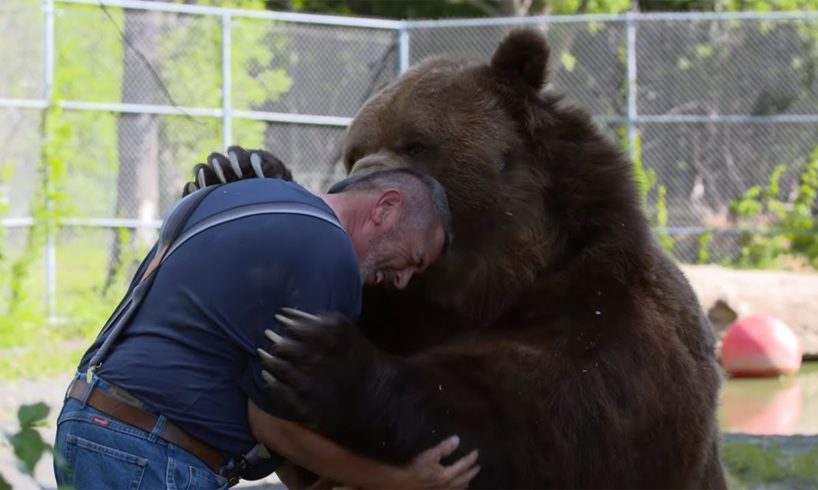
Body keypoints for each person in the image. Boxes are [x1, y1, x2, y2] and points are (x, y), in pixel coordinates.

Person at [53, 148, 478, 489]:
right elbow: (273, 423)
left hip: (87, 423)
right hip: (147, 452)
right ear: (385, 207)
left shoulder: (227, 198)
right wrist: (402, 480)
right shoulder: (330, 253)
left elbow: (233, 370)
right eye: (414, 260)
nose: (402, 282)